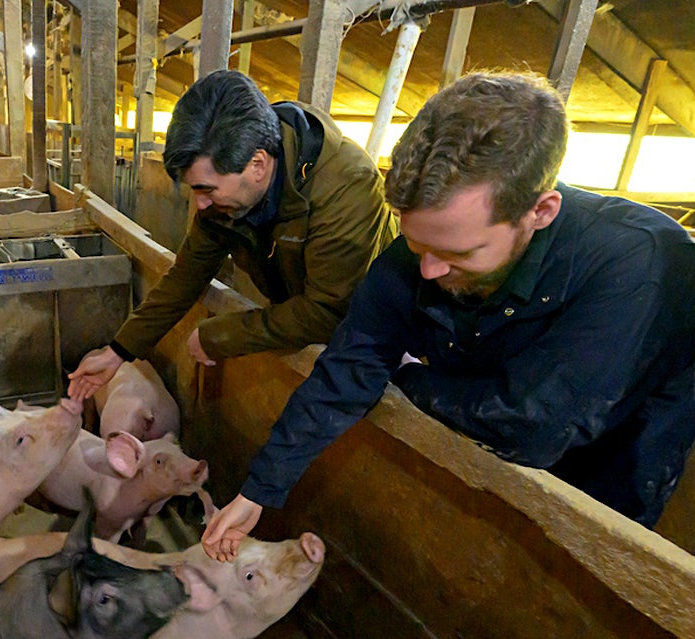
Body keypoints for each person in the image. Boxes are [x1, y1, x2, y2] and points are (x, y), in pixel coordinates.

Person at [202, 71, 695, 561]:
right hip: (493, 401)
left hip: (613, 453)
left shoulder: (639, 265)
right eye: (416, 243)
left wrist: (413, 382)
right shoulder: (412, 262)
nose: (430, 269)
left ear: (540, 212)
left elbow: (533, 425)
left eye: (457, 252)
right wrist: (259, 489)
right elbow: (348, 368)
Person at [67, 69, 396, 401]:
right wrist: (118, 351)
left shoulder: (347, 188)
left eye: (207, 190)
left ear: (257, 164)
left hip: (384, 328)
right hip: (302, 316)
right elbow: (186, 275)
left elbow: (327, 311)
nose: (200, 203)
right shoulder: (225, 201)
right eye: (195, 190)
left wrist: (220, 336)